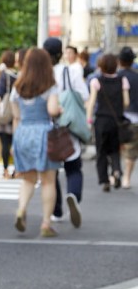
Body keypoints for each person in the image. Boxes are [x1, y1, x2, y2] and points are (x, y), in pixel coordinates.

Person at [11, 47, 61, 237]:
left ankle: (21, 209)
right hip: (43, 133)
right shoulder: (50, 85)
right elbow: (52, 110)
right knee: (48, 181)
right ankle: (46, 224)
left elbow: (16, 115)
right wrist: (60, 108)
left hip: (23, 133)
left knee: (27, 179)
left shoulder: (18, 86)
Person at [43, 36, 89, 228]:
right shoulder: (71, 72)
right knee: (73, 167)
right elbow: (84, 96)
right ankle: (74, 196)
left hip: (47, 127)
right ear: (62, 53)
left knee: (52, 172)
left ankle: (57, 211)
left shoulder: (42, 74)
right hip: (68, 125)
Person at [86, 53, 130, 191]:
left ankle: (104, 180)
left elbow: (91, 103)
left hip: (101, 121)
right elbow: (127, 102)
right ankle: (116, 171)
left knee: (101, 151)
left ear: (101, 66)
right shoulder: (122, 80)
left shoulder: (96, 81)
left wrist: (89, 120)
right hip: (116, 121)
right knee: (115, 149)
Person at [0, 50, 17, 178]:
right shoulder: (17, 75)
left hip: (5, 111)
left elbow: (0, 93)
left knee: (5, 142)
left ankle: (5, 170)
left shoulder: (4, 75)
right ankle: (17, 169)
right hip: (16, 111)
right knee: (14, 141)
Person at [118, 46, 138, 188]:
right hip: (134, 117)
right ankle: (126, 178)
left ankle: (115, 173)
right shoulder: (137, 76)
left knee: (114, 148)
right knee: (131, 150)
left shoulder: (115, 77)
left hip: (117, 118)